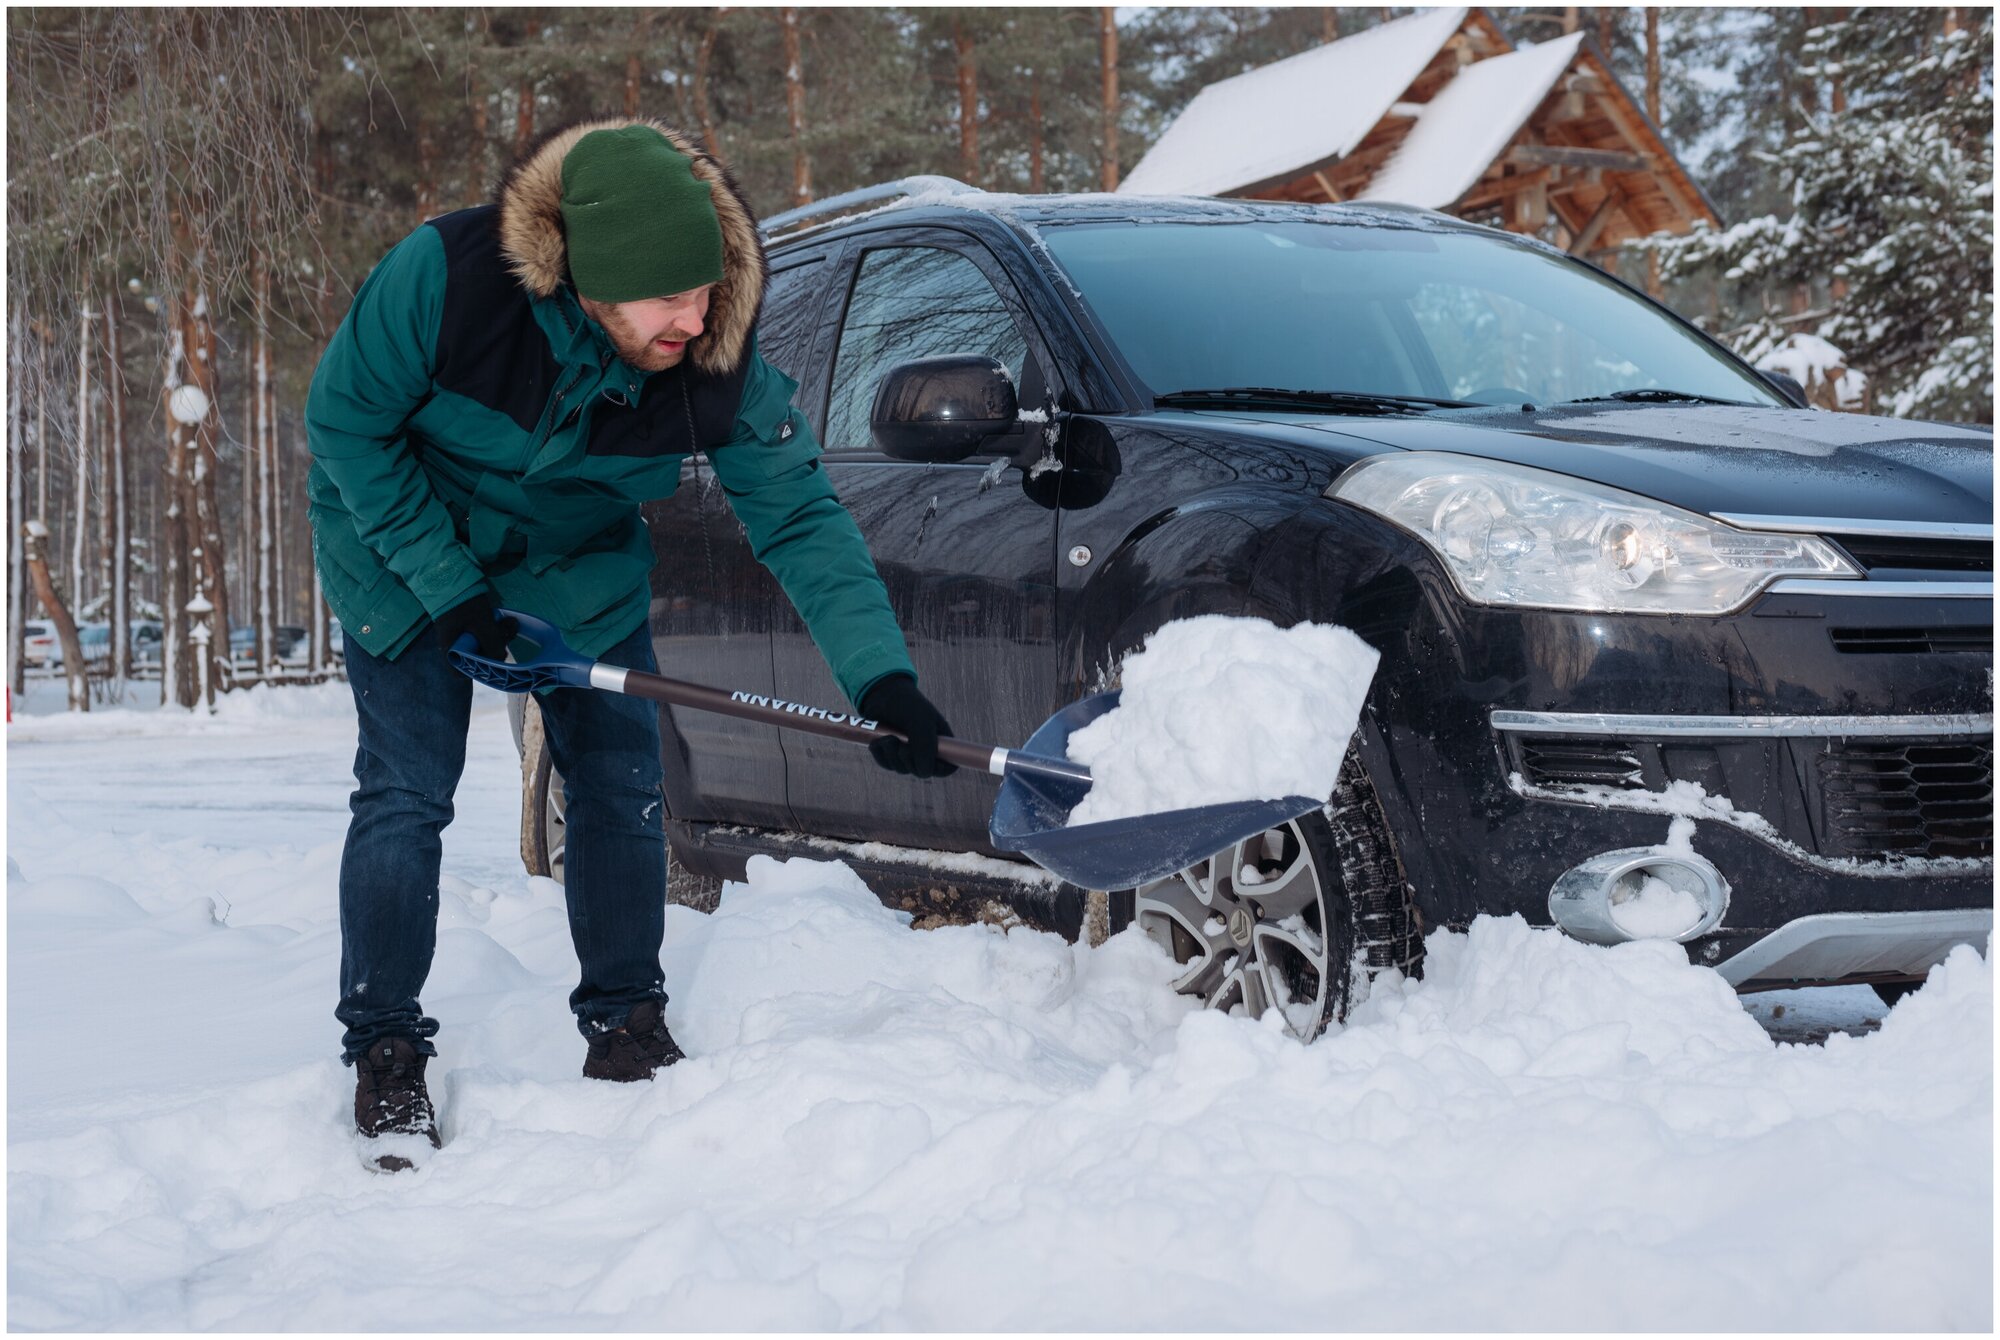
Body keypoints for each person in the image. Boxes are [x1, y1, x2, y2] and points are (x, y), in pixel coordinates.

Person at [306, 118, 955, 1170]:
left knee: (620, 777)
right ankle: (384, 1040)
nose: (694, 320)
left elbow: (798, 517)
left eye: (705, 292)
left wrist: (882, 676)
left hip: (577, 569)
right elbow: (343, 426)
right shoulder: (444, 280)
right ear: (589, 282)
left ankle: (625, 1021)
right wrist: (451, 591)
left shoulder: (715, 359)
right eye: (668, 299)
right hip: (401, 546)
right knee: (406, 788)